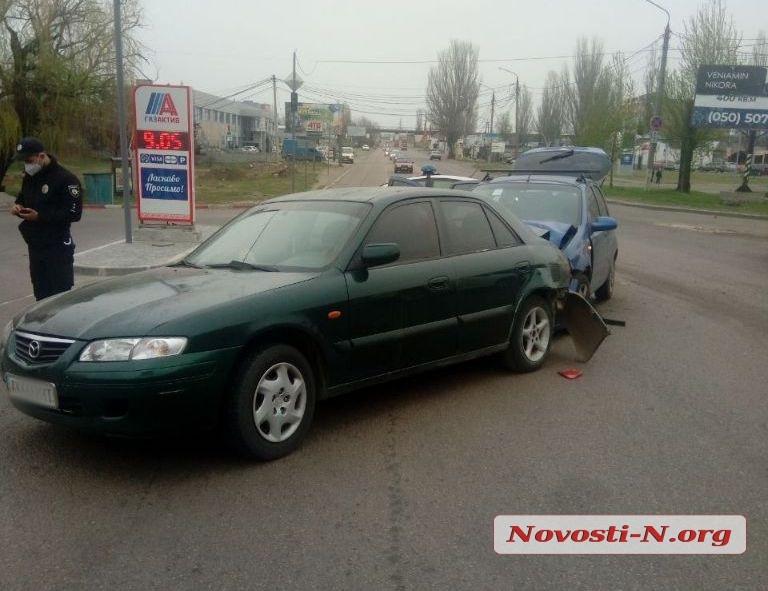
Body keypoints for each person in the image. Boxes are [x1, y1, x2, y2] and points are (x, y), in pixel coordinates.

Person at [10, 137, 83, 300]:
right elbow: (23, 197)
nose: (27, 165)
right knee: (41, 294)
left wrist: (40, 217)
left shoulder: (66, 180)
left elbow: (74, 213)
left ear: (42, 156)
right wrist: (18, 206)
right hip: (36, 245)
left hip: (57, 246)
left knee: (59, 297)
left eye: (29, 160)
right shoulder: (30, 177)